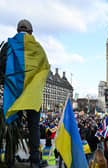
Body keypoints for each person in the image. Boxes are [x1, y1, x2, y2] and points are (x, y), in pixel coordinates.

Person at [0, 19, 50, 168]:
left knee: (12, 124)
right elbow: (45, 68)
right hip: (32, 95)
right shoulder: (37, 47)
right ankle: (35, 160)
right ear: (31, 32)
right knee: (34, 126)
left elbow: (1, 66)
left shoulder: (8, 45)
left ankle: (9, 158)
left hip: (13, 93)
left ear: (17, 30)